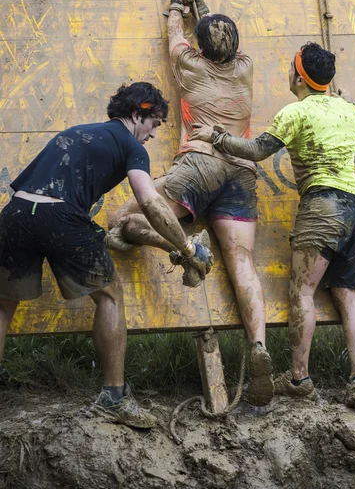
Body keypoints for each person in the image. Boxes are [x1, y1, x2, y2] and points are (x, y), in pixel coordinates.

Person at [0, 82, 213, 428]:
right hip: (61, 217)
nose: (154, 134)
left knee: (2, 305)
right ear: (136, 114)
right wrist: (186, 247)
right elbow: (151, 203)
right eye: (155, 123)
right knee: (111, 295)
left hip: (17, 213)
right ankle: (113, 398)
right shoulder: (131, 146)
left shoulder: (77, 132)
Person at [106, 0, 274, 407]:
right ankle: (258, 346)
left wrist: (176, 5)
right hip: (241, 172)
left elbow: (176, 35)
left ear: (202, 48)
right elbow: (217, 38)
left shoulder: (190, 65)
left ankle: (186, 250)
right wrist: (202, 4)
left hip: (199, 164)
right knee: (242, 264)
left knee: (123, 220)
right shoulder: (246, 66)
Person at [189, 41, 355, 409]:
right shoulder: (346, 110)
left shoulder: (295, 113)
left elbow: (258, 150)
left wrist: (217, 136)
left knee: (303, 292)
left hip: (322, 208)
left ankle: (299, 378)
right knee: (349, 297)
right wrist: (350, 105)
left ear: (297, 76)